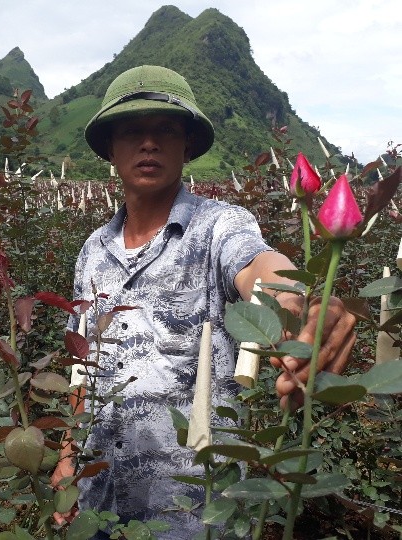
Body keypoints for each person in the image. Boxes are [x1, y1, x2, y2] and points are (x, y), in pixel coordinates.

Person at [52, 65, 356, 538]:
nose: (149, 143)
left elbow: (258, 266)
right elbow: (81, 363)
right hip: (99, 499)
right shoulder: (93, 251)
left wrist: (300, 299)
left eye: (166, 131)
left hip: (196, 508)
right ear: (110, 149)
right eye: (132, 131)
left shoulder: (219, 227)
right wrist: (68, 457)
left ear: (187, 145)